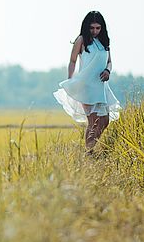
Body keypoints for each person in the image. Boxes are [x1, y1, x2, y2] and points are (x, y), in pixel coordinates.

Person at [52, 10, 122, 152]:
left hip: (101, 86)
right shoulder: (82, 40)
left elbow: (109, 62)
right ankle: (89, 152)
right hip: (86, 86)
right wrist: (71, 81)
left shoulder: (104, 42)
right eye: (92, 28)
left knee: (105, 120)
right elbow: (72, 61)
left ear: (102, 28)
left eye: (98, 28)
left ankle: (90, 149)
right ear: (86, 26)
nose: (95, 31)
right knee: (94, 121)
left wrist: (108, 71)